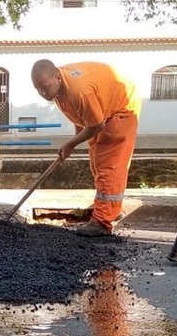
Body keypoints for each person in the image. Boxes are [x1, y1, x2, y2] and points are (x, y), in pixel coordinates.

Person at [31, 59, 141, 236]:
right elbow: (81, 118)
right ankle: (110, 209)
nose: (43, 93)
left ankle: (102, 222)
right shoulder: (60, 90)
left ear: (57, 77)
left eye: (45, 87)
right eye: (38, 89)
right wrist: (73, 143)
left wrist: (71, 144)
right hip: (103, 108)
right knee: (96, 162)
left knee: (109, 166)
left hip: (121, 108)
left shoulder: (79, 91)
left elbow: (96, 126)